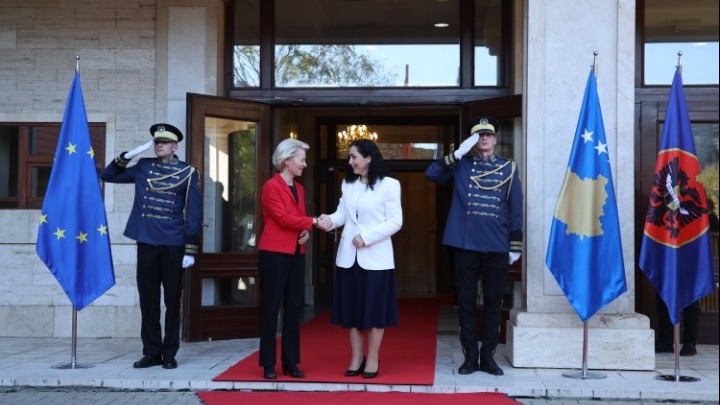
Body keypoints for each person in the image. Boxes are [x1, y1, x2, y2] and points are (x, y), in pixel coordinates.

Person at [425, 117, 523, 376]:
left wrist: (515, 244)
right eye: (479, 135)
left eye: (488, 134)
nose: (484, 138)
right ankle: (470, 356)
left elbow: (515, 208)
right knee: (467, 303)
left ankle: (488, 356)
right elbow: (432, 173)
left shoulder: (509, 168)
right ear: (472, 140)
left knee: (493, 303)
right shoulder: (461, 165)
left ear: (495, 138)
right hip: (465, 244)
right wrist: (457, 154)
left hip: (496, 244)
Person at [100, 123, 202, 370]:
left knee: (172, 301)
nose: (159, 145)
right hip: (147, 241)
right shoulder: (143, 167)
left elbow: (194, 213)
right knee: (148, 300)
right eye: (157, 142)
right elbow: (108, 175)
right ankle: (152, 352)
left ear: (175, 147)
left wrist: (190, 248)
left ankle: (169, 352)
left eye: (164, 142)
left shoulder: (188, 172)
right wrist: (129, 155)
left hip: (173, 244)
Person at [317, 139, 403, 379]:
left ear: (369, 157)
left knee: (375, 311)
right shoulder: (348, 183)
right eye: (350, 157)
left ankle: (372, 358)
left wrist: (366, 237)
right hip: (348, 258)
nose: (350, 161)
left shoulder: (390, 185)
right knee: (351, 311)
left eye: (354, 156)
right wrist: (329, 221)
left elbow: (395, 221)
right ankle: (356, 357)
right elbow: (343, 214)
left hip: (377, 259)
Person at [257, 138, 318, 380]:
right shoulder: (271, 186)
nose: (304, 164)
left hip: (296, 253)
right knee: (271, 308)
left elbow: (298, 219)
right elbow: (282, 218)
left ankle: (291, 362)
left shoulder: (299, 188)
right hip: (273, 254)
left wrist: (306, 231)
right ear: (286, 160)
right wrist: (314, 222)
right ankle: (268, 364)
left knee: (294, 308)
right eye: (301, 160)